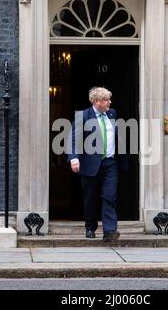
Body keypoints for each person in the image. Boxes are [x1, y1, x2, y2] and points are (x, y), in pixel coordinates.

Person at [67, 87, 127, 242]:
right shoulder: (83, 116)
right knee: (90, 197)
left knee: (109, 196)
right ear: (97, 101)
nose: (110, 102)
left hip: (110, 162)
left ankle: (109, 231)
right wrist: (74, 158)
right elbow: (73, 139)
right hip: (89, 163)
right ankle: (90, 227)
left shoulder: (112, 114)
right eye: (106, 99)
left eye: (109, 99)